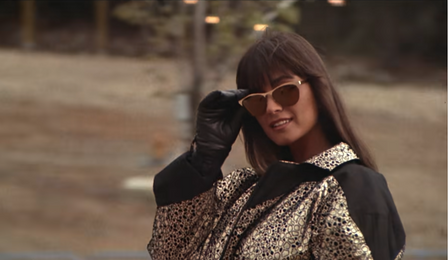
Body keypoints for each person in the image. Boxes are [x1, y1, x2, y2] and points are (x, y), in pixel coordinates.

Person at [147, 30, 405, 259]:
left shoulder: (352, 188)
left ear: (317, 88)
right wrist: (203, 159)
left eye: (285, 90)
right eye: (257, 100)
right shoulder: (240, 190)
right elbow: (169, 253)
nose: (271, 107)